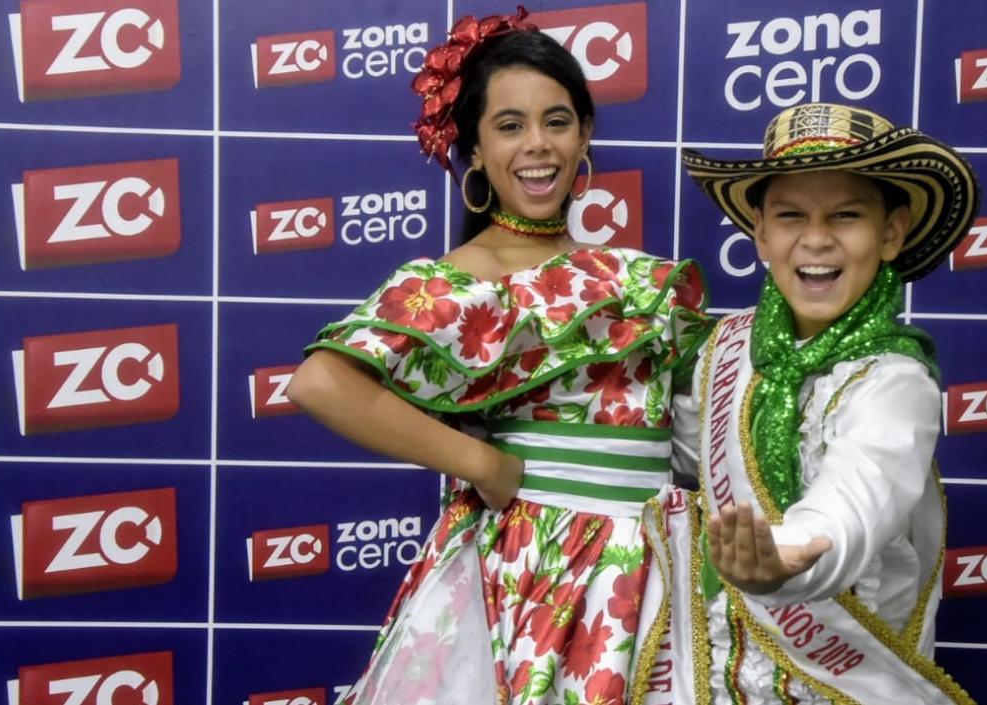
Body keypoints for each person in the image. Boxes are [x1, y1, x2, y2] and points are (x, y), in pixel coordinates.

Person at [287, 8, 713, 705]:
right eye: (509, 125)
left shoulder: (639, 277)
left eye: (557, 120)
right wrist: (482, 463)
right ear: (476, 150)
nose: (537, 145)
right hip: (535, 567)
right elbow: (321, 381)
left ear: (585, 136)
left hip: (656, 566)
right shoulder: (461, 278)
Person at [673, 103, 981, 704]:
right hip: (721, 681)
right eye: (791, 216)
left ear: (892, 232)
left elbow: (852, 504)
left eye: (846, 215)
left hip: (844, 687)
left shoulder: (895, 381)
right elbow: (675, 457)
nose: (816, 238)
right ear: (760, 231)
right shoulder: (723, 352)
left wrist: (787, 558)